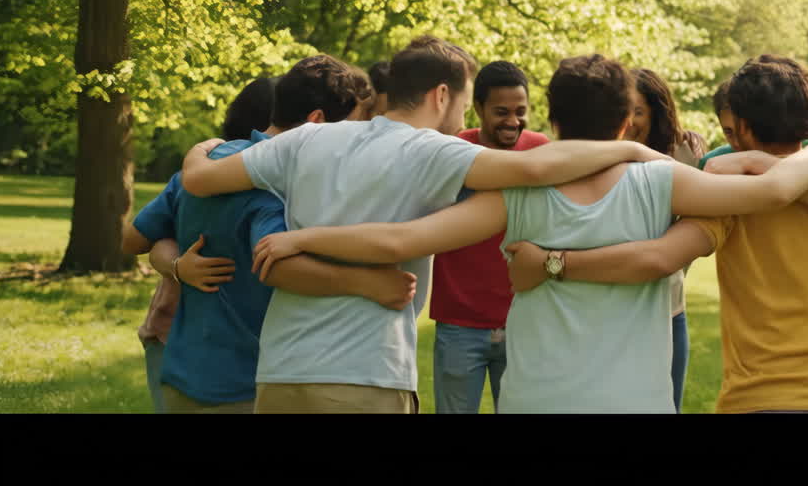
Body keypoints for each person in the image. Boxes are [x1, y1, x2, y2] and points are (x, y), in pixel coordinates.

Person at [250, 53, 808, 413]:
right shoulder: (661, 183)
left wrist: (306, 238)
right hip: (635, 402)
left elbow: (396, 242)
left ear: (553, 119)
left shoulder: (515, 195)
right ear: (626, 121)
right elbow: (776, 190)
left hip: (537, 398)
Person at [180, 37, 670, 414]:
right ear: (441, 94)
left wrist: (198, 150)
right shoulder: (433, 150)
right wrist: (631, 149)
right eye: (460, 103)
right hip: (366, 372)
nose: (461, 118)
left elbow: (200, 181)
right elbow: (536, 168)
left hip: (282, 370)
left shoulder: (308, 139)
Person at [503, 54, 808, 413]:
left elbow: (658, 258)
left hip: (755, 399)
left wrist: (555, 261)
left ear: (740, 125)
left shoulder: (725, 194)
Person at [122, 56, 417, 414]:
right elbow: (275, 263)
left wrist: (175, 260)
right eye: (351, 131)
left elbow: (134, 239)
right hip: (243, 385)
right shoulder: (273, 189)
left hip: (181, 373)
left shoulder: (211, 161)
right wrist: (369, 283)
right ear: (317, 121)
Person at [121, 75, 272, 413]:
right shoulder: (207, 176)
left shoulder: (199, 169)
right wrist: (175, 265)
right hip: (177, 334)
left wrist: (170, 259)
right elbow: (133, 240)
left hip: (184, 343)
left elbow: (136, 239)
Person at [431, 60, 549, 414]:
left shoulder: (540, 149)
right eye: (501, 112)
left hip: (522, 320)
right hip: (458, 323)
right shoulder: (451, 151)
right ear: (478, 108)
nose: (513, 121)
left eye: (520, 111)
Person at [628, 67, 706, 412]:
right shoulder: (600, 156)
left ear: (657, 113)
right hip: (620, 311)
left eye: (639, 111)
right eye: (623, 109)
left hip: (670, 311)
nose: (629, 120)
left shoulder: (683, 156)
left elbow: (694, 228)